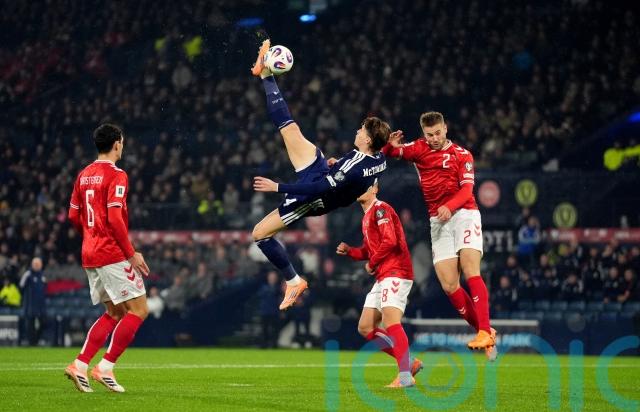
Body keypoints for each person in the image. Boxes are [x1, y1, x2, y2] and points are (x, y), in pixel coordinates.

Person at [251, 39, 390, 310]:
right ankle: (266, 74)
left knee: (260, 234)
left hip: (315, 198)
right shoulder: (378, 158)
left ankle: (294, 281)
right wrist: (340, 166)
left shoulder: (358, 165)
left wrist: (278, 187)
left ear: (368, 140)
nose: (357, 130)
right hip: (323, 171)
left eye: (362, 130)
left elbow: (319, 190)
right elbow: (367, 164)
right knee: (288, 128)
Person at [382, 111, 496, 359]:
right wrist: (390, 146)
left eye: (437, 133)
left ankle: (485, 331)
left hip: (464, 213)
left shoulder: (462, 155)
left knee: (470, 269)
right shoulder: (419, 149)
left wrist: (450, 206)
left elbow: (467, 191)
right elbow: (391, 153)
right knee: (449, 285)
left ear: (445, 129)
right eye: (429, 135)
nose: (433, 138)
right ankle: (484, 331)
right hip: (439, 221)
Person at [64, 123, 150, 393]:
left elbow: (73, 215)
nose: (122, 146)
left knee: (114, 312)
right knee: (139, 310)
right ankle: (105, 367)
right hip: (111, 252)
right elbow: (114, 218)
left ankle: (80, 365)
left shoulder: (83, 174)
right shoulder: (117, 175)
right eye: (122, 142)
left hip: (90, 252)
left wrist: (90, 236)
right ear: (116, 144)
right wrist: (131, 253)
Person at [336, 181, 422, 388]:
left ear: (375, 189)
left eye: (366, 186)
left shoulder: (381, 209)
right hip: (383, 276)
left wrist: (372, 263)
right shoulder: (367, 216)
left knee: (391, 322)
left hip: (396, 271)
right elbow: (368, 251)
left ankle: (404, 376)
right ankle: (410, 363)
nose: (360, 189)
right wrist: (350, 251)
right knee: (365, 327)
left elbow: (390, 241)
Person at [19, 257, 47, 345]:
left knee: (43, 323)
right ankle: (32, 343)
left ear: (41, 265)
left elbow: (45, 288)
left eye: (38, 264)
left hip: (40, 305)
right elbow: (21, 286)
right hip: (30, 305)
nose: (37, 266)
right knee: (30, 325)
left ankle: (36, 340)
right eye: (35, 264)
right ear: (32, 265)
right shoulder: (28, 274)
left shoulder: (43, 276)